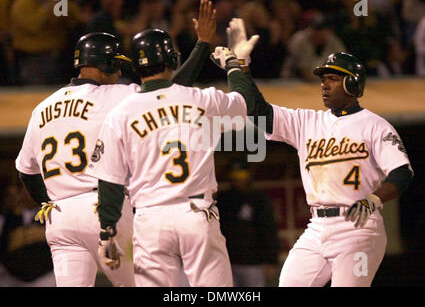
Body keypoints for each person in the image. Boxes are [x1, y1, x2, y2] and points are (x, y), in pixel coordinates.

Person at [15, 0, 218, 286]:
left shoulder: (42, 108)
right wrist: (202, 45)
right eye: (117, 66)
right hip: (102, 208)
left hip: (59, 218)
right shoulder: (117, 96)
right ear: (106, 63)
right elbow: (173, 93)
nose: (121, 72)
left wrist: (47, 201)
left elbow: (26, 170)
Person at [226, 19, 414, 287]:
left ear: (352, 84)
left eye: (333, 79)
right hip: (317, 227)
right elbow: (258, 111)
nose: (324, 85)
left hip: (359, 227)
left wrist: (374, 199)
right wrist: (241, 66)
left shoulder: (374, 124)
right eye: (323, 79)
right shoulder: (307, 122)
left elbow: (401, 173)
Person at [85, 27, 259, 286]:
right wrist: (235, 64)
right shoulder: (201, 99)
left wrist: (107, 231)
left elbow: (109, 182)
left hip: (149, 218)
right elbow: (247, 102)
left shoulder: (120, 114)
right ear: (173, 60)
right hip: (196, 213)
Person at [217, 159, 280, 287]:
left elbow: (269, 231)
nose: (238, 180)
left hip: (254, 262)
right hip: (228, 262)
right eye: (235, 177)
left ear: (248, 176)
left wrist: (271, 261)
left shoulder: (259, 200)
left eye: (241, 176)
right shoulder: (223, 199)